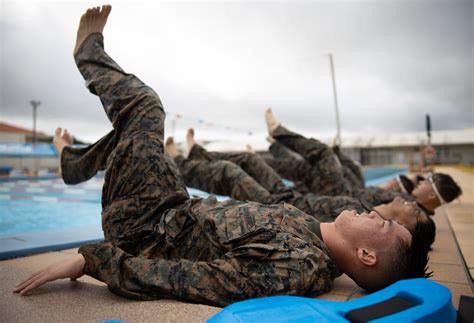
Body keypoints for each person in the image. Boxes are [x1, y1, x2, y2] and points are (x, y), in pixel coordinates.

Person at [14, 5, 430, 307]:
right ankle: (73, 162)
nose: (378, 214)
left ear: (367, 256)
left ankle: (87, 54)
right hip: (173, 205)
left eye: (388, 225)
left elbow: (191, 280)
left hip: (145, 226)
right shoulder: (315, 237)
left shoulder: (295, 268)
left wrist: (93, 259)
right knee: (143, 139)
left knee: (145, 108)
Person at [168, 129, 434, 239]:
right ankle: (191, 155)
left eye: (415, 212)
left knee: (229, 171)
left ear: (402, 228)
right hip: (289, 193)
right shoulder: (367, 208)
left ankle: (176, 163)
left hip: (280, 204)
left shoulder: (360, 223)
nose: (409, 202)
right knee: (249, 158)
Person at [264, 108, 462, 214]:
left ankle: (277, 134)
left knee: (324, 156)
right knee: (311, 168)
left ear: (432, 197)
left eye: (430, 182)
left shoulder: (414, 213)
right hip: (347, 192)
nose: (424, 182)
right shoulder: (412, 203)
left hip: (343, 198)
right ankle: (274, 144)